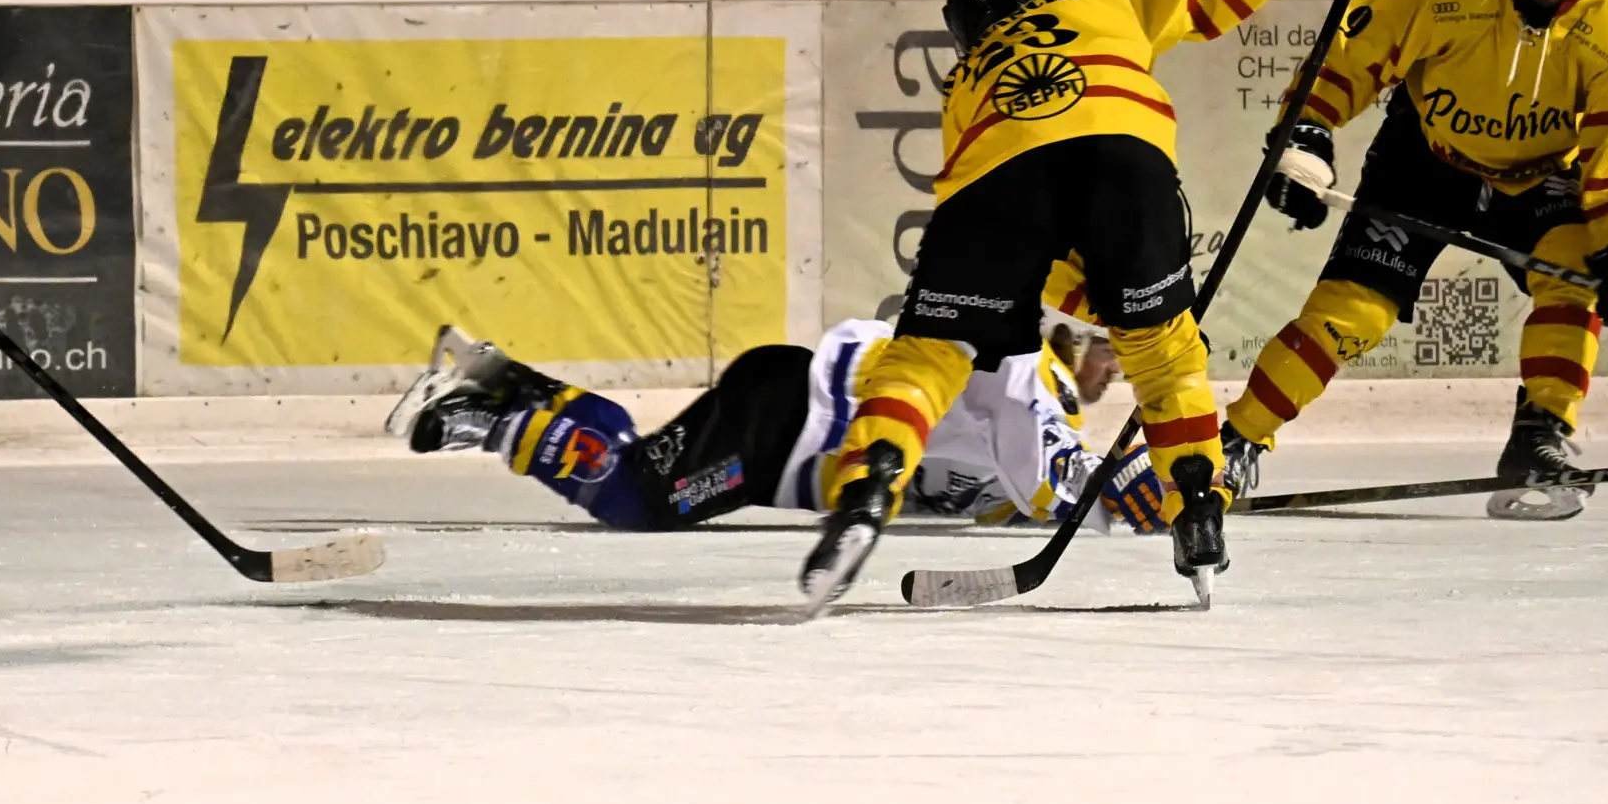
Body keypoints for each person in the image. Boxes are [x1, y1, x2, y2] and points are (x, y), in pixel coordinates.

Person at [796, 0, 1396, 612]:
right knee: (1167, 359)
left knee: (928, 355)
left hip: (991, 180)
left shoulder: (967, 90)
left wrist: (1098, 303)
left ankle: (868, 487)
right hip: (1125, 162)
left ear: (966, 38)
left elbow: (1033, 258)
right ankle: (1198, 511)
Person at [1221, 0, 1608, 519]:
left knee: (1575, 276)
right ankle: (1232, 441)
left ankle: (1539, 438)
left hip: (1542, 175)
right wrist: (1305, 142)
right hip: (1425, 160)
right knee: (1350, 314)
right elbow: (1350, 64)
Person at [386, 291, 1171, 537]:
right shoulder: (1029, 379)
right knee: (633, 500)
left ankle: (510, 385)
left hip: (783, 421)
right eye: (1115, 350)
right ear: (1080, 336)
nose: (1120, 370)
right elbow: (1057, 493)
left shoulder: (1021, 406)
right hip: (786, 425)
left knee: (635, 470)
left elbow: (1009, 499)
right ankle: (481, 417)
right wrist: (1145, 501)